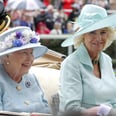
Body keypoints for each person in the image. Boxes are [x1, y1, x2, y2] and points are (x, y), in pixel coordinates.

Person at [59, 4, 116, 116]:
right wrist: (103, 111)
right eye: (92, 32)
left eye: (103, 32)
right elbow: (70, 110)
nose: (98, 38)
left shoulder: (107, 60)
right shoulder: (71, 64)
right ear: (82, 35)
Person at [0, 26, 51, 113]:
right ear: (6, 57)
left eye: (31, 52)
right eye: (24, 53)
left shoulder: (31, 78)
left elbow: (46, 111)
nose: (30, 58)